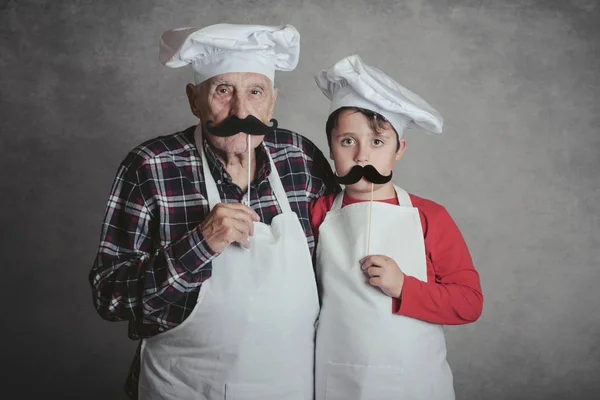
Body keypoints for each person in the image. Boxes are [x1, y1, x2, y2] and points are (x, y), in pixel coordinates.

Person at [89, 23, 339, 399]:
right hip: (184, 387)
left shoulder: (299, 157)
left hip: (291, 386)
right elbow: (109, 297)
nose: (241, 110)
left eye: (255, 92)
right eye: (223, 90)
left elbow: (342, 256)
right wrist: (200, 244)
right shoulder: (151, 166)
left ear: (272, 101)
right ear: (194, 99)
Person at [309, 54, 483, 399]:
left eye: (377, 142)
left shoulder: (429, 216)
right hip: (339, 379)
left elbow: (469, 303)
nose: (362, 157)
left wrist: (405, 286)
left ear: (399, 149)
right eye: (348, 141)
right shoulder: (318, 212)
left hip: (414, 382)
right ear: (330, 146)